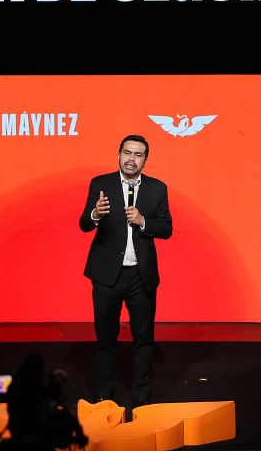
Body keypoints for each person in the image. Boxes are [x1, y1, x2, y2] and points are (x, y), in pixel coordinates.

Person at [79, 134, 173, 406]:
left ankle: (141, 399)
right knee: (105, 339)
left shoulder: (157, 189)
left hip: (141, 276)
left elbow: (166, 228)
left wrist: (144, 221)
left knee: (143, 339)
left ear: (145, 160)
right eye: (127, 153)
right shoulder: (101, 184)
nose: (131, 159)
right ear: (119, 155)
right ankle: (104, 397)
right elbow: (84, 224)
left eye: (138, 154)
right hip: (107, 276)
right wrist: (95, 214)